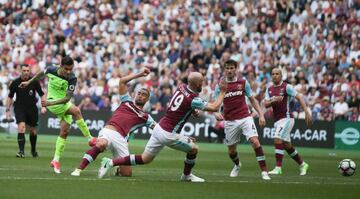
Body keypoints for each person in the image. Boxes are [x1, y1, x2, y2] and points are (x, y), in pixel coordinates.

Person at [97, 72, 227, 182]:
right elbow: (215, 107)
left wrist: (192, 110)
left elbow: (181, 104)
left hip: (160, 128)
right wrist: (222, 92)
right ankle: (186, 176)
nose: (202, 84)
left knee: (145, 158)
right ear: (195, 84)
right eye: (201, 82)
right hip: (169, 133)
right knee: (193, 149)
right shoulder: (193, 99)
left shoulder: (181, 87)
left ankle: (110, 162)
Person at [71, 68, 156, 177]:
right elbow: (122, 81)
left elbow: (158, 129)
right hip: (109, 131)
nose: (140, 95)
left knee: (127, 174)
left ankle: (115, 168)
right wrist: (140, 74)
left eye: (144, 94)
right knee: (101, 144)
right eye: (139, 93)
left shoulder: (146, 117)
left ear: (147, 99)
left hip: (122, 140)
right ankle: (78, 169)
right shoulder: (126, 101)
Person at [19, 56, 96, 174]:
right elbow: (40, 74)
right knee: (76, 111)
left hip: (62, 102)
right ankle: (90, 139)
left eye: (71, 69)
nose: (69, 71)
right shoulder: (51, 70)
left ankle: (55, 160)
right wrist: (29, 81)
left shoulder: (72, 78)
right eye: (66, 69)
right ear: (61, 66)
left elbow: (67, 98)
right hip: (52, 102)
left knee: (65, 132)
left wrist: (49, 103)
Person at [213, 59, 270, 180]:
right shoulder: (220, 86)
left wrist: (261, 114)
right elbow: (215, 103)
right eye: (227, 68)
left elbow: (252, 99)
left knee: (255, 141)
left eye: (231, 68)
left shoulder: (243, 83)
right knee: (231, 151)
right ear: (224, 69)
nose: (229, 70)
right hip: (229, 121)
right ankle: (237, 165)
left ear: (236, 69)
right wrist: (215, 113)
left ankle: (264, 172)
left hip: (245, 117)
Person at [264, 67, 312, 176]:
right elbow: (266, 104)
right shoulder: (269, 89)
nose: (275, 75)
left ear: (281, 76)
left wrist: (306, 112)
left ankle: (278, 168)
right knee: (287, 145)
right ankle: (302, 164)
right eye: (273, 74)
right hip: (277, 120)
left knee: (277, 138)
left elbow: (299, 97)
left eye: (277, 74)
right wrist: (273, 100)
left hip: (287, 118)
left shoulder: (287, 87)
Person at [5, 64, 47, 158]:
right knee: (21, 127)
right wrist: (7, 110)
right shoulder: (15, 82)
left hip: (32, 109)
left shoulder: (34, 81)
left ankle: (33, 150)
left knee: (32, 131)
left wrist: (44, 106)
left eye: (28, 70)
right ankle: (21, 151)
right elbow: (10, 97)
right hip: (20, 108)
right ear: (21, 71)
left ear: (30, 71)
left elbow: (42, 94)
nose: (26, 72)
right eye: (24, 70)